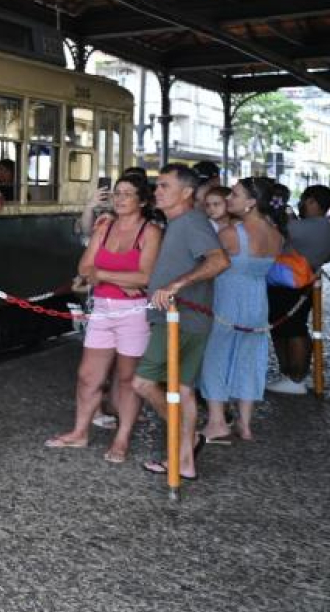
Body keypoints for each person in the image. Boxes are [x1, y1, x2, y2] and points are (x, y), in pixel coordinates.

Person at [46, 174, 161, 464]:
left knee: (126, 378)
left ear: (143, 200)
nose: (119, 198)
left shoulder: (150, 232)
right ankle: (79, 432)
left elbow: (145, 277)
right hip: (102, 309)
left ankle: (121, 438)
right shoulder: (105, 226)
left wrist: (103, 275)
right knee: (88, 375)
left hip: (134, 313)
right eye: (117, 193)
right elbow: (84, 266)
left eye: (127, 194)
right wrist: (117, 279)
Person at [133, 163, 229, 481]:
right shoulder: (180, 223)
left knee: (143, 383)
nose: (157, 191)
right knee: (184, 390)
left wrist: (176, 285)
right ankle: (185, 461)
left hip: (180, 320)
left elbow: (219, 260)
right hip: (187, 319)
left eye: (164, 186)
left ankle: (184, 440)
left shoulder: (190, 222)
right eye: (156, 186)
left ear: (186, 192)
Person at [198, 177, 286, 443]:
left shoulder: (230, 234)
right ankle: (245, 424)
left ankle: (216, 423)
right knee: (249, 359)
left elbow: (205, 264)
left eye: (234, 195)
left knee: (216, 356)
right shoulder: (276, 234)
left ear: (251, 202)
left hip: (227, 299)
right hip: (257, 301)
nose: (229, 199)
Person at [266, 184, 330, 394]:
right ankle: (293, 376)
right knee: (291, 328)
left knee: (290, 330)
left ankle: (294, 377)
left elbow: (277, 232)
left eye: (304, 200)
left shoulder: (306, 226)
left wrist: (282, 212)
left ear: (312, 202)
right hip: (305, 284)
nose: (300, 204)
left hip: (288, 285)